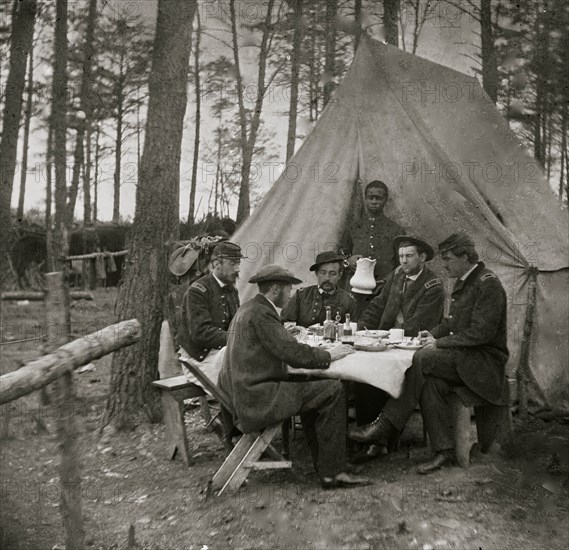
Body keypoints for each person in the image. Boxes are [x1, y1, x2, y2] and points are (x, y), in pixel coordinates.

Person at [349, 233, 509, 474]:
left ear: (465, 257)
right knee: (430, 382)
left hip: (484, 363)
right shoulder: (465, 280)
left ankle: (385, 425)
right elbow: (450, 323)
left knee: (422, 358)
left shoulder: (488, 284)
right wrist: (431, 335)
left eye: (448, 259)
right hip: (465, 358)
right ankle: (443, 451)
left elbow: (481, 334)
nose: (444, 265)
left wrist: (440, 344)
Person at [218, 264, 370, 489]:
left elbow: (279, 346)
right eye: (289, 290)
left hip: (244, 394)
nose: (290, 296)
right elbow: (293, 353)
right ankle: (333, 473)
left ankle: (327, 463)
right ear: (277, 289)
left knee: (313, 387)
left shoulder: (250, 309)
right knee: (334, 390)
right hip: (257, 398)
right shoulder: (262, 314)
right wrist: (329, 354)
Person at [351, 236, 444, 463]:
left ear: (422, 258)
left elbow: (420, 323)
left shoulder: (433, 285)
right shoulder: (397, 275)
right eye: (401, 256)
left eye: (409, 256)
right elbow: (378, 305)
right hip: (386, 342)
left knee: (389, 372)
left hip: (413, 346)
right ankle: (370, 437)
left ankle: (383, 439)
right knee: (363, 373)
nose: (403, 261)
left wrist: (386, 338)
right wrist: (361, 327)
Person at [176, 241, 242, 381]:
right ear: (216, 264)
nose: (238, 269)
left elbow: (234, 324)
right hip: (198, 359)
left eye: (238, 264)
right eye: (232, 264)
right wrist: (238, 338)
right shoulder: (198, 291)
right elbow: (201, 333)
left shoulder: (232, 291)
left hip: (221, 352)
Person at [341, 180, 405, 295]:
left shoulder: (396, 230)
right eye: (371, 198)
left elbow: (401, 265)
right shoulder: (353, 227)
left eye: (378, 198)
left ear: (385, 200)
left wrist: (387, 282)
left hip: (384, 290)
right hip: (356, 288)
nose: (374, 202)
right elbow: (340, 254)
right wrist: (347, 261)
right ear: (365, 199)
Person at [281, 251, 357, 327]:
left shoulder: (348, 301)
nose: (327, 278)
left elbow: (351, 331)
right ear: (317, 273)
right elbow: (284, 323)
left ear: (339, 275)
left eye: (332, 273)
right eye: (323, 273)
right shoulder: (301, 296)